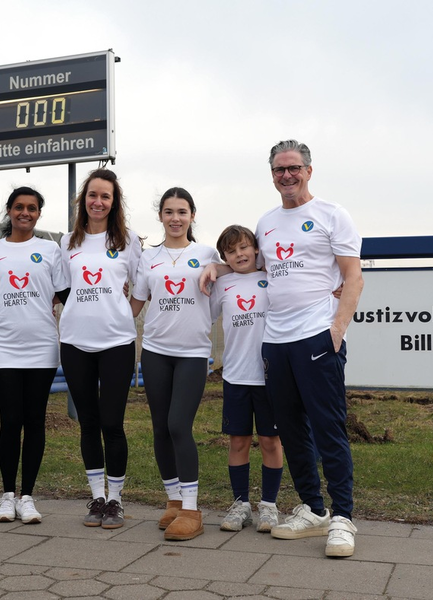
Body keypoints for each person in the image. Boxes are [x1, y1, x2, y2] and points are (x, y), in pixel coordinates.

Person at [202, 140, 364, 558]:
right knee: (290, 431)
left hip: (316, 337)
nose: (286, 176)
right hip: (275, 343)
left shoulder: (332, 214)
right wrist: (215, 266)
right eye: (278, 170)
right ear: (271, 175)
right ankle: (314, 508)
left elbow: (353, 277)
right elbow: (249, 263)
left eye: (293, 168)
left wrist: (337, 330)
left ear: (309, 170)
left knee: (328, 428)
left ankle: (343, 518)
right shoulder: (267, 222)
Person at [130, 188, 218, 541]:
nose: (175, 218)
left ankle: (193, 509)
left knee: (179, 425)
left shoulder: (206, 253)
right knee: (160, 429)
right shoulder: (148, 258)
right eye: (169, 212)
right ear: (161, 216)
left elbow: (244, 264)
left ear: (192, 215)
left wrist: (219, 265)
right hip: (154, 352)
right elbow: (134, 305)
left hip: (193, 353)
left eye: (182, 211)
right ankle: (174, 501)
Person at [59, 169, 142, 529]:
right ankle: (96, 498)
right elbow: (63, 289)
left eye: (105, 196)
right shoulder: (67, 243)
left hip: (117, 344)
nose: (98, 202)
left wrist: (123, 313)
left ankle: (116, 501)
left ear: (114, 202)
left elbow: (141, 287)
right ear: (83, 199)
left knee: (112, 422)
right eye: (92, 195)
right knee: (88, 423)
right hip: (75, 343)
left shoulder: (129, 241)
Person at [0, 187, 67, 524]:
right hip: (3, 347)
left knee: (34, 422)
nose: (25, 213)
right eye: (19, 207)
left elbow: (66, 293)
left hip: (42, 346)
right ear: (9, 210)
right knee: (10, 420)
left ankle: (27, 497)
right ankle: (6, 497)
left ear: (38, 214)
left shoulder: (49, 250)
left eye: (32, 208)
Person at [209, 225, 283, 533]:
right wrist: (214, 269)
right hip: (236, 376)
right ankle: (241, 504)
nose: (239, 254)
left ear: (256, 249)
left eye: (244, 247)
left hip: (270, 377)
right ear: (224, 255)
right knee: (238, 440)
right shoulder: (222, 285)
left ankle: (268, 506)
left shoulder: (273, 279)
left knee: (270, 440)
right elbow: (205, 314)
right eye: (231, 250)